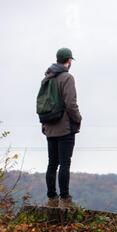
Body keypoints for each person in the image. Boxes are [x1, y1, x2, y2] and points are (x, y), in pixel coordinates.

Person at [41, 48, 82, 208]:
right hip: (64, 127)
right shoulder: (67, 78)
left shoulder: (46, 78)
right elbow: (71, 104)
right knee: (65, 163)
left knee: (52, 163)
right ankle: (65, 199)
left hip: (49, 127)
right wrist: (78, 119)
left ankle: (52, 199)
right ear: (69, 61)